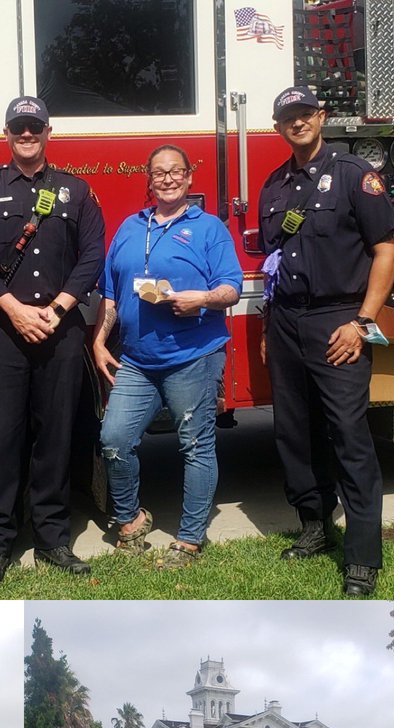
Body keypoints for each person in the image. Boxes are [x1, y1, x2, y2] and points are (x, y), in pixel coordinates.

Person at [258, 86, 394, 597]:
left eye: (305, 114)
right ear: (276, 126)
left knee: (348, 434)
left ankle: (362, 557)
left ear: (322, 117)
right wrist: (269, 324)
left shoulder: (354, 176)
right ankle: (315, 526)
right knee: (294, 433)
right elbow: (274, 262)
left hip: (339, 320)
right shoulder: (273, 185)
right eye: (287, 117)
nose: (297, 123)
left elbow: (388, 251)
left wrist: (362, 322)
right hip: (287, 321)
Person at [0, 96, 105, 586]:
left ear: (48, 132)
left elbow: (91, 257)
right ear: (6, 133)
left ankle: (52, 539)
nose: (27, 135)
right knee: (1, 438)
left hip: (59, 331)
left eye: (35, 127)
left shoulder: (77, 191)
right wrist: (16, 311)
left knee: (55, 436)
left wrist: (59, 308)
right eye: (19, 127)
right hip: (3, 331)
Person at [92, 144, 242, 566]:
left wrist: (203, 299)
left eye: (176, 171)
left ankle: (190, 540)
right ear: (149, 179)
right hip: (138, 361)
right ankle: (132, 520)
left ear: (190, 176)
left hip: (193, 355)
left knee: (196, 445)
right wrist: (101, 339)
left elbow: (231, 287)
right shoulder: (129, 227)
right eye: (159, 172)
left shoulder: (209, 227)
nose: (168, 178)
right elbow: (111, 291)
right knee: (115, 439)